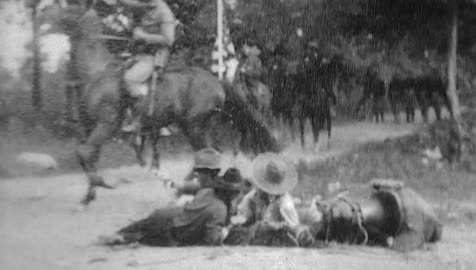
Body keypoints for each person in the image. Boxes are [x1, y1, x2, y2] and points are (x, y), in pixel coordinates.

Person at [98, 149, 242, 246]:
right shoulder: (220, 208)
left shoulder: (209, 190)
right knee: (142, 238)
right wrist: (226, 230)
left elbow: (192, 187)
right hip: (173, 230)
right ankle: (122, 237)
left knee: (142, 225)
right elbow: (212, 239)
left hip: (167, 215)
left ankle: (119, 234)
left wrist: (174, 184)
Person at [100, 0, 177, 133]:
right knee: (116, 73)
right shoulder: (148, 4)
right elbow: (131, 3)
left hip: (153, 57)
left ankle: (140, 119)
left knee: (131, 78)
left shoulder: (164, 13)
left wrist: (144, 36)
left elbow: (169, 39)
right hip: (139, 54)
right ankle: (122, 116)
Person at [302, 179, 443, 251]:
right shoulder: (403, 205)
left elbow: (398, 246)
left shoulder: (414, 220)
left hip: (396, 217)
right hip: (385, 211)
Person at [225, 153, 314, 247]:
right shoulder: (252, 197)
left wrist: (297, 232)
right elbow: (242, 218)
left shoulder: (284, 202)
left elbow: (294, 227)